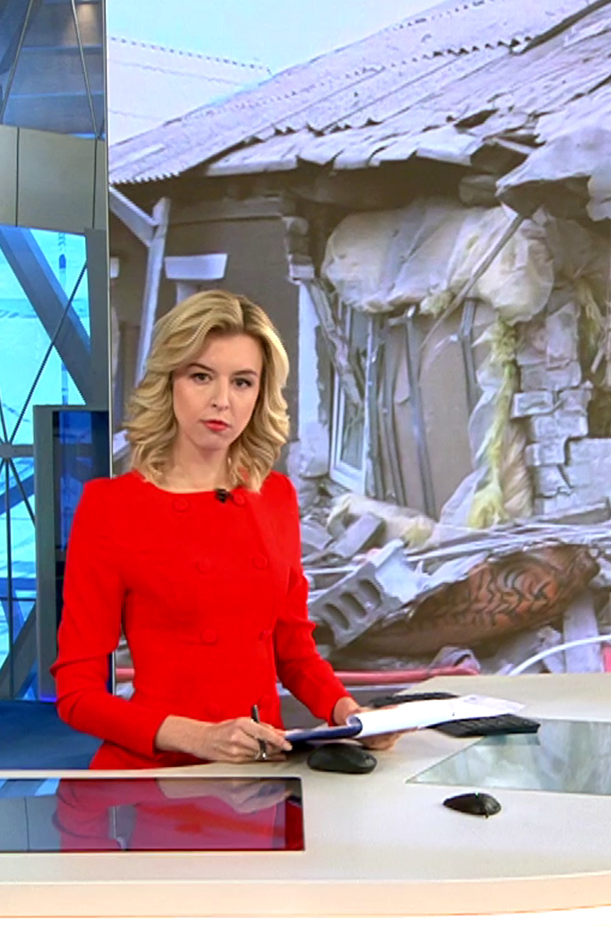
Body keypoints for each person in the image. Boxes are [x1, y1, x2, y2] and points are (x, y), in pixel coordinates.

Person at [53, 290, 388, 768]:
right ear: (169, 382)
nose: (221, 401)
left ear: (260, 394)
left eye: (242, 382)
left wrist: (349, 713)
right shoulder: (111, 507)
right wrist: (199, 737)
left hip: (261, 770)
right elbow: (77, 693)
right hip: (159, 774)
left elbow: (294, 652)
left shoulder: (276, 497)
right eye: (201, 376)